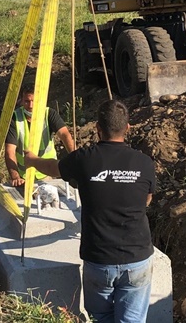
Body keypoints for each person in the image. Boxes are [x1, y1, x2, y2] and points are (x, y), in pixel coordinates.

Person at [23, 99, 155, 323]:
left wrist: (32, 160)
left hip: (99, 260)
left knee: (101, 317)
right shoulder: (144, 163)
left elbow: (54, 169)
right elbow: (146, 201)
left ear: (97, 129)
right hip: (137, 259)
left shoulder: (84, 158)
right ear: (128, 128)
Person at [3, 83, 76, 186]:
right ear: (21, 101)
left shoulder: (49, 114)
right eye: (27, 101)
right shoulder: (15, 118)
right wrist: (15, 177)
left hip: (47, 174)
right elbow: (10, 150)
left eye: (34, 101)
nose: (30, 106)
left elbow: (65, 135)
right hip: (25, 177)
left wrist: (76, 158)